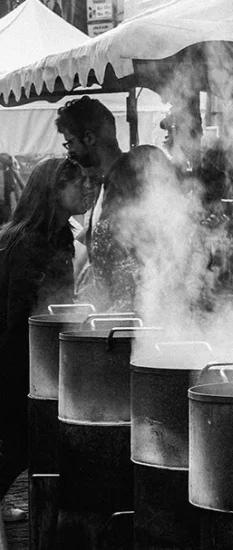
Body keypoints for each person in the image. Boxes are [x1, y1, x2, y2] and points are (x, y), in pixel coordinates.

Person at [0, 158, 90, 521]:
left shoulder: (59, 237)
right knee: (18, 448)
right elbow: (21, 319)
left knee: (29, 447)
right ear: (54, 191)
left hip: (34, 362)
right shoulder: (27, 244)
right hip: (16, 363)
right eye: (78, 183)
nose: (87, 188)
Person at [90, 145, 180, 312]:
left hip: (168, 318)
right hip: (122, 322)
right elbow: (102, 292)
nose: (168, 187)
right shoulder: (108, 230)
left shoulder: (171, 226)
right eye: (160, 180)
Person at [55, 96, 124, 291]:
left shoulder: (127, 181)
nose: (70, 153)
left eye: (70, 143)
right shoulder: (106, 184)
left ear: (89, 138)